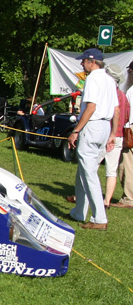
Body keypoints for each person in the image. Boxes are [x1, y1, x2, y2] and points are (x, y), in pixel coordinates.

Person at [66, 48, 117, 229]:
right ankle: (79, 211)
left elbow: (91, 107)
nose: (81, 64)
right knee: (84, 170)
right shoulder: (110, 80)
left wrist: (76, 131)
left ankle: (99, 218)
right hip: (105, 126)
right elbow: (116, 109)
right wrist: (112, 133)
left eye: (83, 61)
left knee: (89, 173)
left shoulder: (93, 79)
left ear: (91, 61)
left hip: (93, 125)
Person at [102, 63, 130, 207]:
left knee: (91, 167)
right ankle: (107, 200)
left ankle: (84, 195)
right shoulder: (124, 96)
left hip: (106, 134)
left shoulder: (107, 94)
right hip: (119, 135)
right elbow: (126, 116)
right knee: (111, 171)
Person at [116, 60, 133, 208]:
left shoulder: (131, 90)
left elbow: (128, 114)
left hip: (131, 129)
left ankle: (128, 198)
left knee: (126, 166)